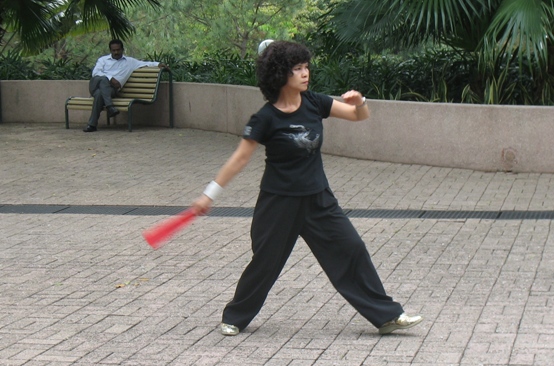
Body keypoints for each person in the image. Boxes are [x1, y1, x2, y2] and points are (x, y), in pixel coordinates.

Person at [190, 40, 423, 336]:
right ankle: (235, 316)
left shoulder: (315, 102)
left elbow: (357, 116)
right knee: (265, 262)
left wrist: (360, 102)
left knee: (352, 249)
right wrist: (208, 195)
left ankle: (388, 316)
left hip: (318, 200)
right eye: (297, 68)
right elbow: (240, 158)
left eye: (306, 67)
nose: (305, 73)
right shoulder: (265, 118)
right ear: (279, 74)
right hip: (278, 203)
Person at [84, 40, 164, 132]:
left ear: (122, 49)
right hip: (95, 85)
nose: (116, 52)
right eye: (113, 50)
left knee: (99, 95)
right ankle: (110, 106)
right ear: (110, 50)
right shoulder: (103, 60)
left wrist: (158, 64)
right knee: (102, 79)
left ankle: (92, 125)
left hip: (111, 90)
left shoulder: (130, 62)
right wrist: (110, 78)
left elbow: (145, 63)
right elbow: (95, 73)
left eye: (118, 50)